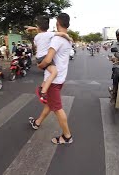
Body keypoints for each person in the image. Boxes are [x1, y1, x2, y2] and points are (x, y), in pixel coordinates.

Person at [28, 13, 73, 145]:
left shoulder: (56, 40)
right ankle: (37, 122)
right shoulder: (68, 40)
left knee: (57, 108)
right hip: (60, 79)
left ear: (58, 23)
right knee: (50, 103)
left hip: (52, 81)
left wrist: (40, 65)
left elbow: (47, 59)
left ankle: (67, 136)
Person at [26, 15, 73, 104]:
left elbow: (40, 34)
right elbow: (62, 34)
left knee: (48, 75)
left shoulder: (37, 37)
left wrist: (33, 28)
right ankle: (43, 92)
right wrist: (69, 38)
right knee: (54, 72)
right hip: (44, 58)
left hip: (38, 57)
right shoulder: (50, 35)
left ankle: (41, 88)